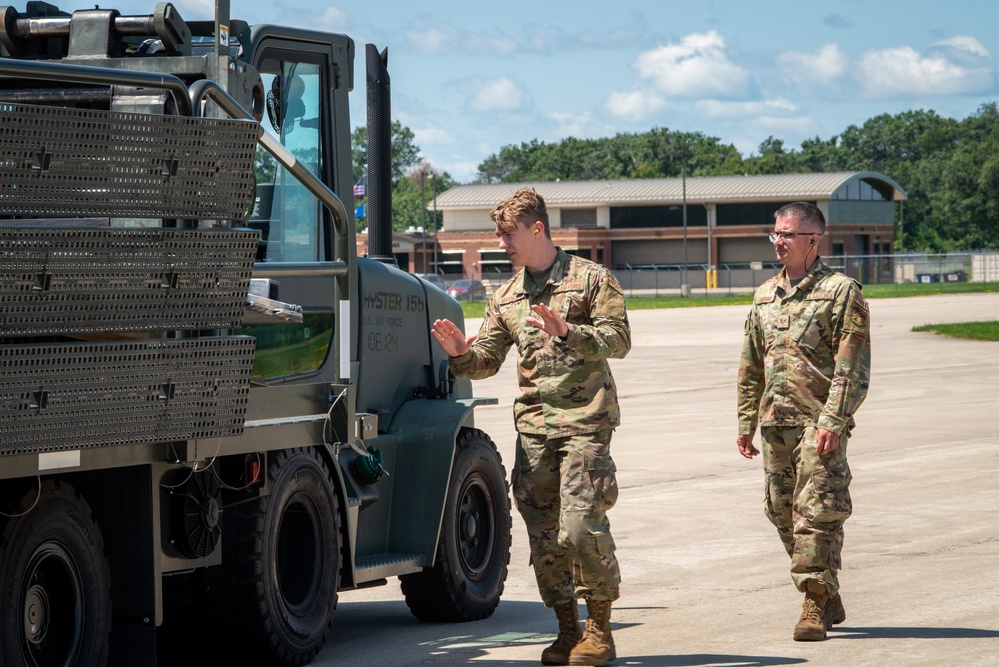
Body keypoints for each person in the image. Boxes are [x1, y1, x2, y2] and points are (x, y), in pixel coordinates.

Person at [432, 188, 631, 666]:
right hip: (534, 432)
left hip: (585, 424)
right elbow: (488, 360)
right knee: (544, 536)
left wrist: (568, 331)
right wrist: (462, 354)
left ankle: (600, 630)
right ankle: (567, 630)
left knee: (582, 527)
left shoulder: (590, 279)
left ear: (537, 228)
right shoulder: (507, 296)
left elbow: (619, 340)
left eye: (507, 234)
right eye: (498, 235)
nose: (502, 243)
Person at [736, 201, 871, 641]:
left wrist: (834, 419)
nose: (778, 241)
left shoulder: (841, 291)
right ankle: (827, 591)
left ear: (813, 239)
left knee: (816, 514)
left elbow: (852, 367)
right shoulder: (763, 296)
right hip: (775, 423)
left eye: (787, 234)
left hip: (819, 423)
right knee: (780, 512)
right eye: (774, 233)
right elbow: (751, 363)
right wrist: (745, 421)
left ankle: (813, 602)